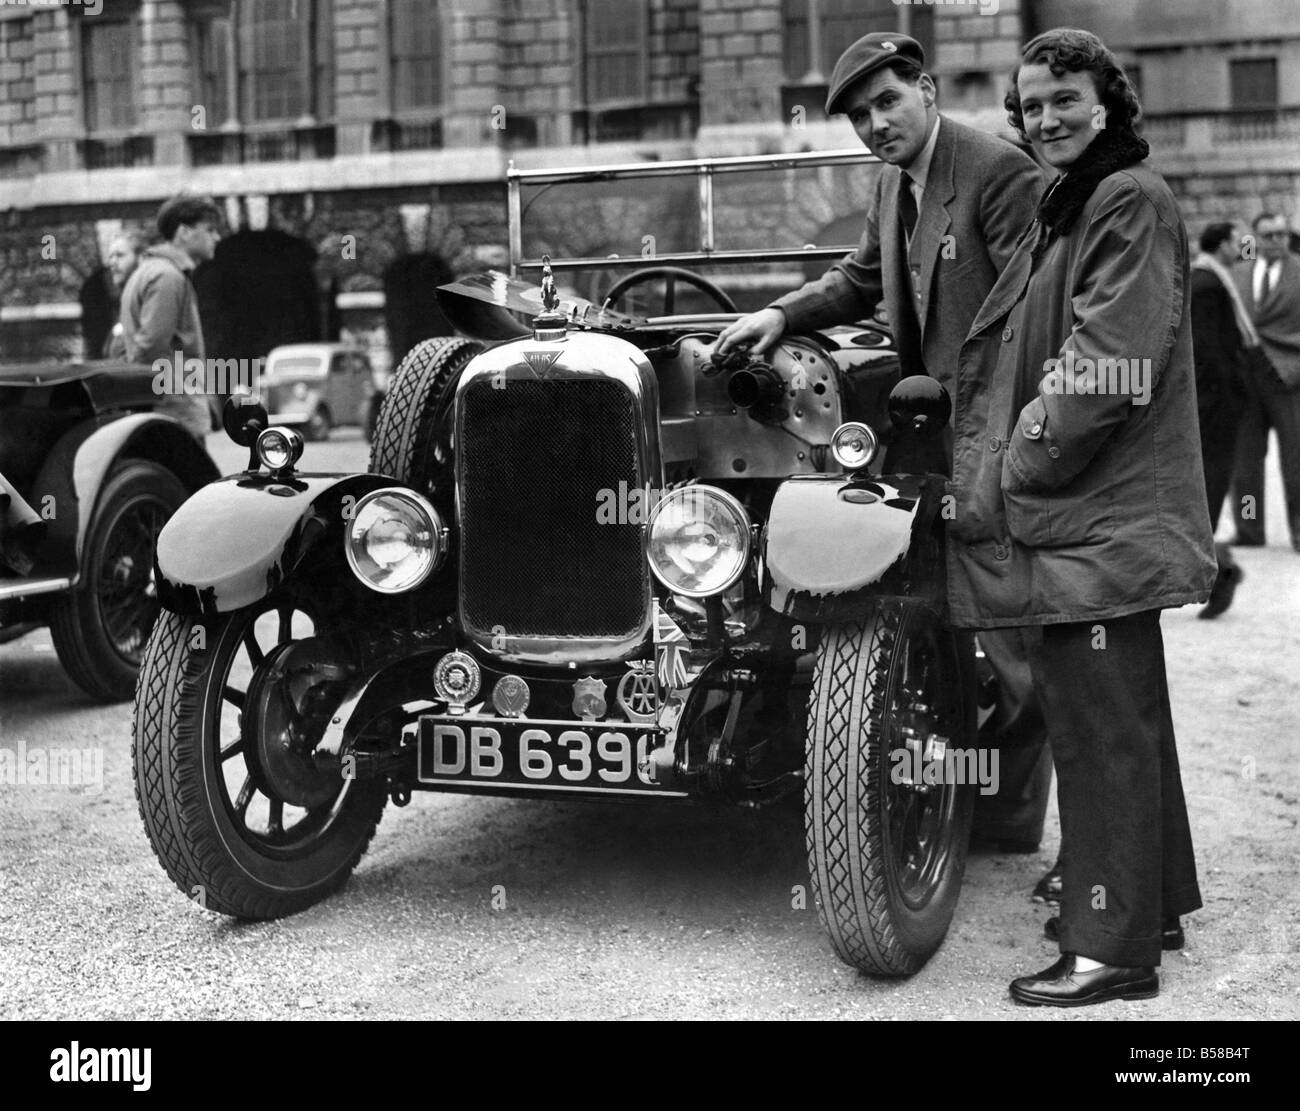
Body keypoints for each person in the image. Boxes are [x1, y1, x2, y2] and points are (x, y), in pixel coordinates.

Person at [714, 32, 1057, 861]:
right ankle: (992, 804)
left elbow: (1032, 314)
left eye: (887, 103)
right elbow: (861, 278)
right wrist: (781, 316)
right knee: (963, 619)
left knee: (1023, 634)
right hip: (934, 433)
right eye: (861, 115)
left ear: (927, 90)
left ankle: (1067, 837)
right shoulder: (891, 184)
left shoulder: (996, 171)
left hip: (998, 431)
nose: (875, 123)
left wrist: (1002, 441)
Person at [948, 27, 1216, 1006]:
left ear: (1108, 103)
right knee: (1124, 717)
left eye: (1065, 99)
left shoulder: (1124, 199)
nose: (1046, 118)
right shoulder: (1083, 201)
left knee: (1096, 727)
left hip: (1090, 515)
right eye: (1031, 104)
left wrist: (1017, 467)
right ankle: (1158, 903)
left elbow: (1108, 364)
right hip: (1092, 513)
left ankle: (1110, 948)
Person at [119, 194, 222, 442]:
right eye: (209, 230)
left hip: (168, 413)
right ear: (184, 232)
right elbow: (150, 348)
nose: (216, 238)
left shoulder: (153, 271)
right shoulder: (168, 277)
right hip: (175, 416)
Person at [1191, 222, 1254, 616]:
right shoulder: (1208, 285)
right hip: (1214, 405)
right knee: (1208, 490)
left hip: (1215, 404)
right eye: (1237, 240)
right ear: (1223, 244)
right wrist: (1235, 390)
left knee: (1209, 490)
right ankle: (1220, 566)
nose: (1242, 246)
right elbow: (1210, 351)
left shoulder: (1211, 280)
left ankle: (1220, 566)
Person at [1230, 211, 1300, 552]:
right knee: (1245, 460)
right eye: (1270, 235)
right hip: (1246, 378)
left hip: (1288, 379)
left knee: (1296, 458)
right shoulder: (1239, 272)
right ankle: (1249, 528)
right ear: (1254, 238)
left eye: (1283, 234)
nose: (1278, 241)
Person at [102, 231, 143, 359]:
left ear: (139, 258)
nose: (113, 262)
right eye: (111, 256)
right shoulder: (125, 301)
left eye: (120, 255)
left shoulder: (146, 299)